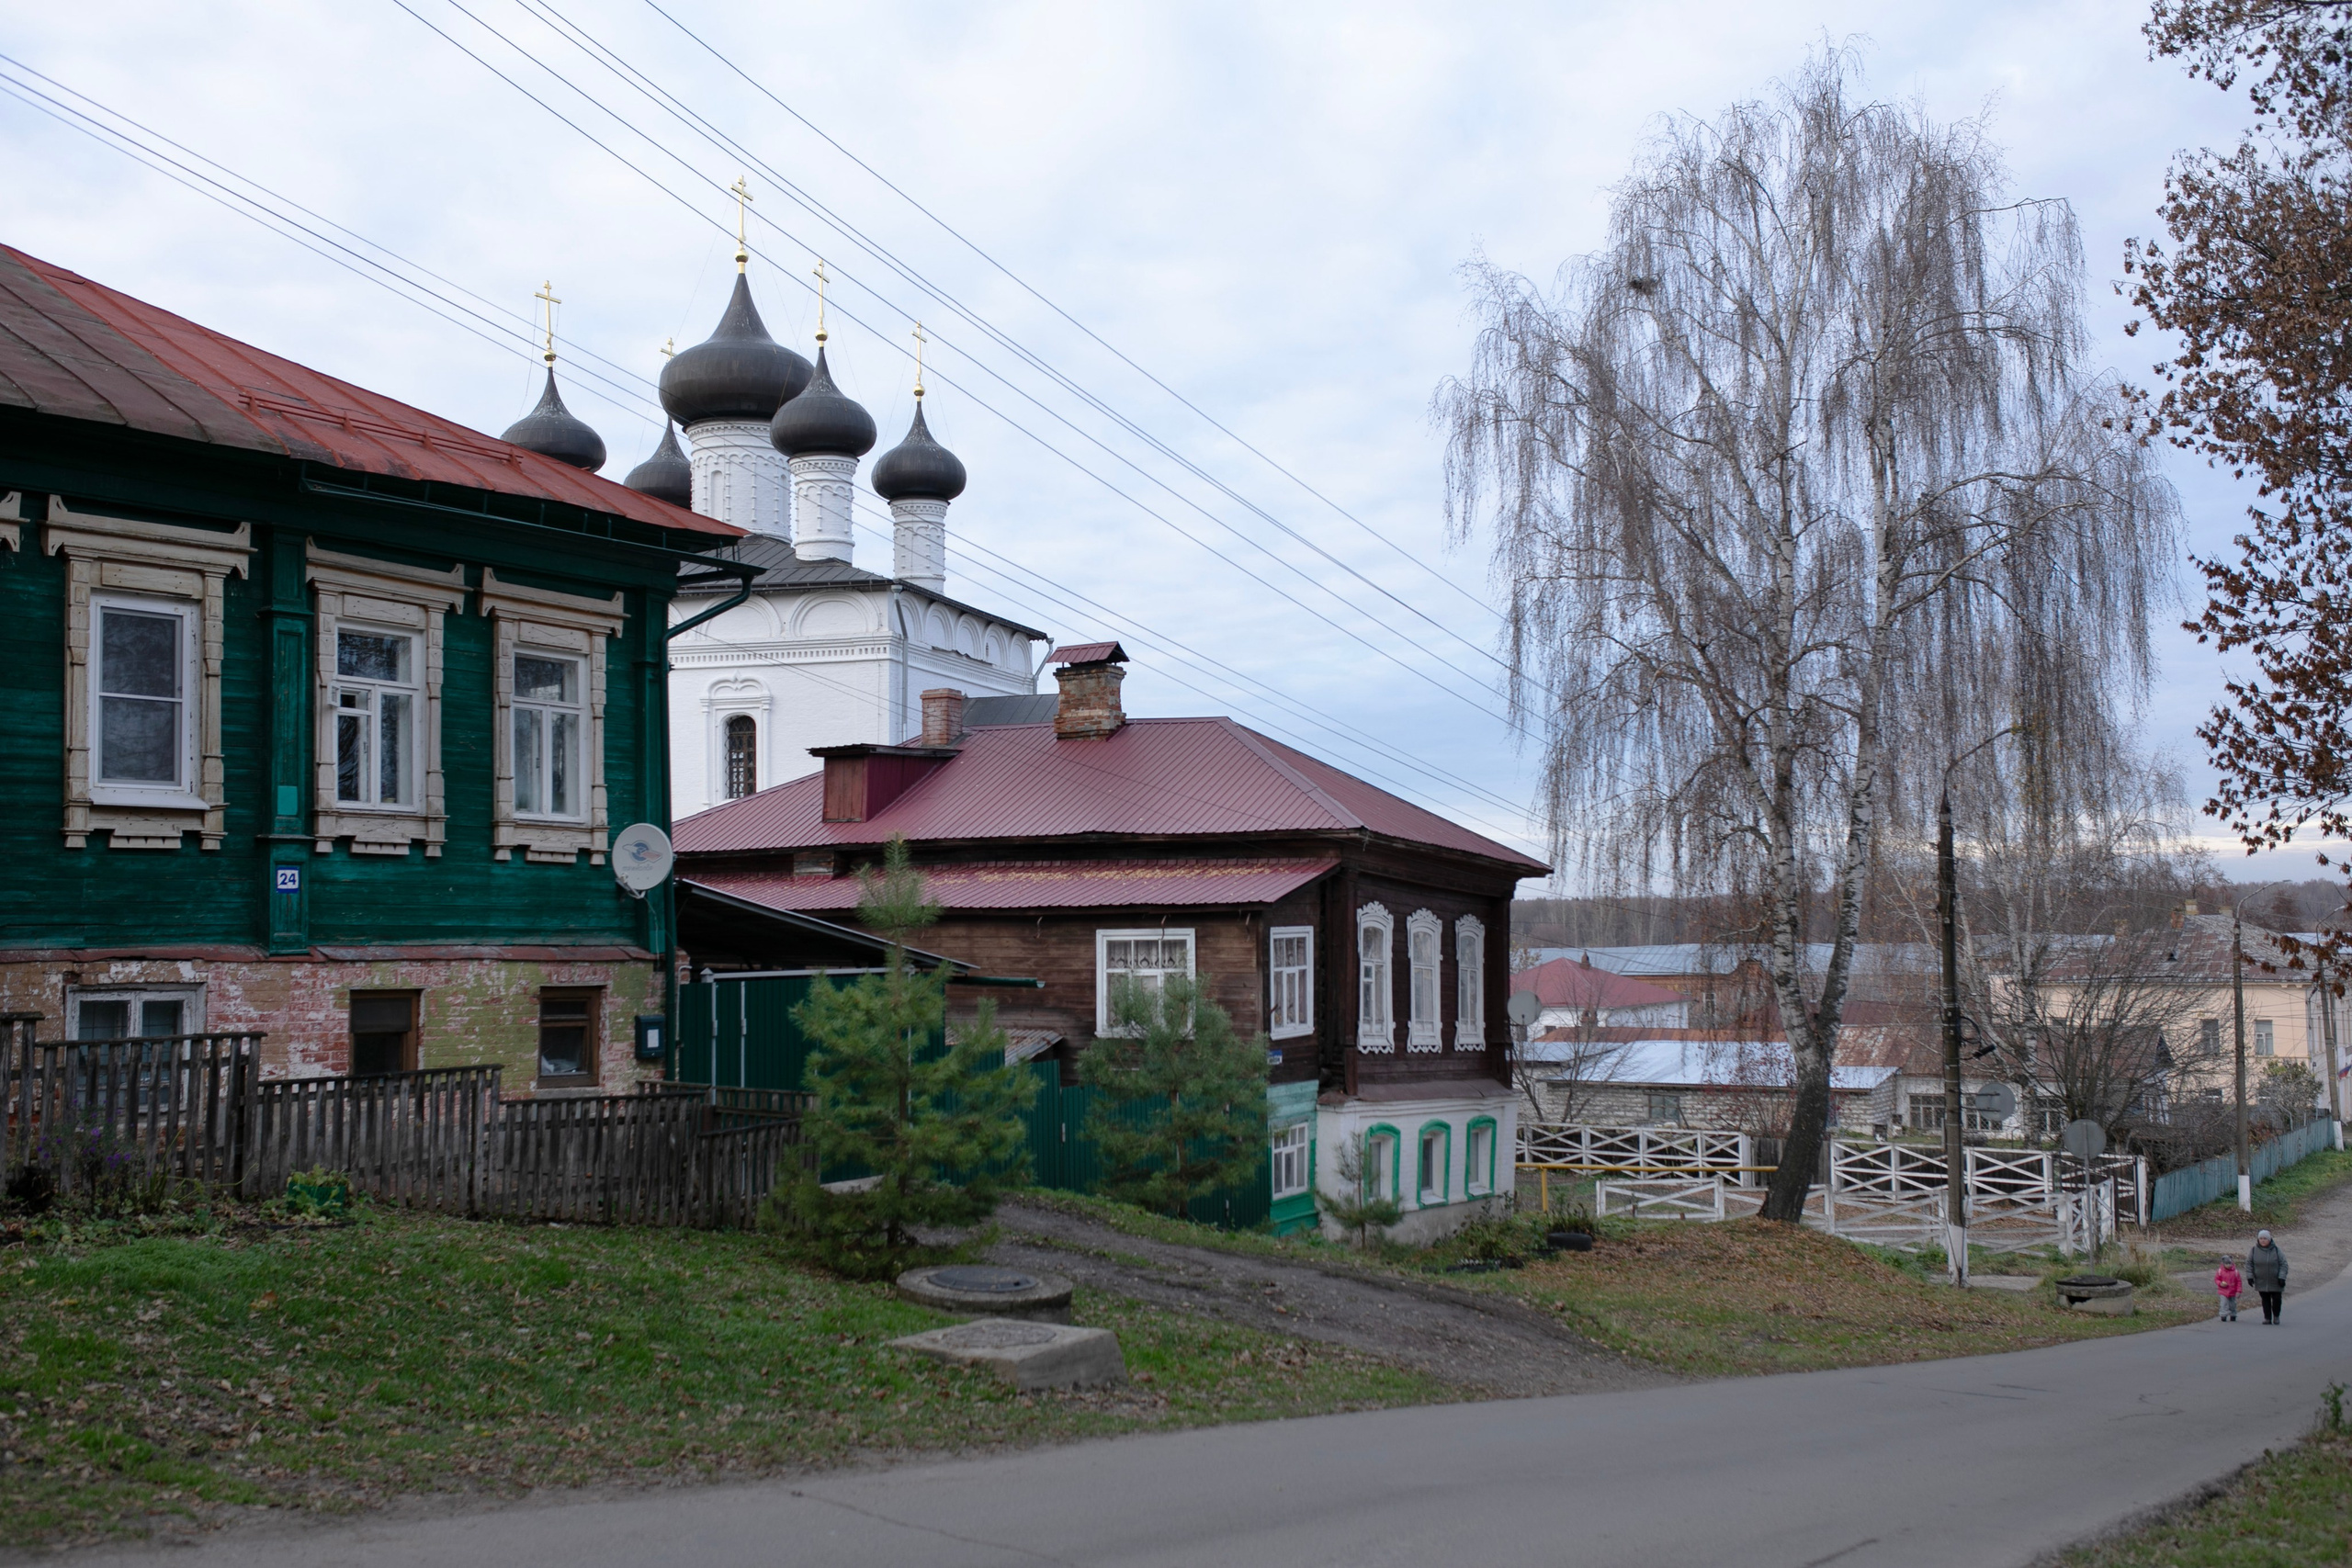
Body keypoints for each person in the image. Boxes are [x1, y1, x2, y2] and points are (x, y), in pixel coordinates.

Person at [2247, 1229, 2289, 1325]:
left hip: (2276, 1281)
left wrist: (2282, 1277)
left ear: (2269, 1239)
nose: (2263, 1240)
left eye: (2265, 1238)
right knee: (2265, 1300)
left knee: (2277, 1300)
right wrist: (2250, 1277)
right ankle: (2267, 1318)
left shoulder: (2277, 1250)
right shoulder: (2254, 1250)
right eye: (2261, 1238)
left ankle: (2276, 1316)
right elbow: (2249, 1264)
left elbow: (2283, 1264)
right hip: (2261, 1280)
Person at [2214, 1258, 2244, 1322]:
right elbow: (2216, 1279)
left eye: (2230, 1263)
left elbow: (2239, 1282)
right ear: (2223, 1264)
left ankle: (2233, 1314)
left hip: (2233, 1291)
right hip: (2223, 1291)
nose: (2228, 1265)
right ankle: (2223, 1315)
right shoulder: (2220, 1271)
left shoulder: (2235, 1272)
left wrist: (2239, 1291)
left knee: (2232, 1304)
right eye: (2226, 1264)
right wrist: (2220, 1283)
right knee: (2223, 1304)